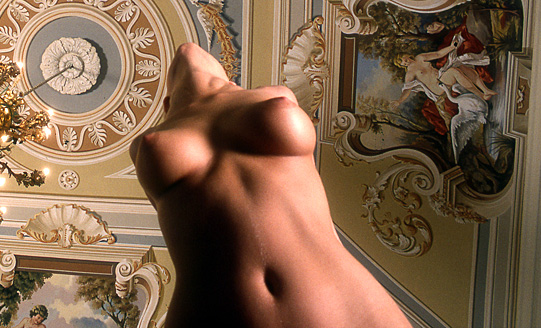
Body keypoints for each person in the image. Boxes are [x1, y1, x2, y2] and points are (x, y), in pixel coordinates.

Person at [129, 43, 411, 328]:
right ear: (166, 106)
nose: (186, 51)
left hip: (339, 299)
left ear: (232, 80)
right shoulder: (143, 144)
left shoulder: (274, 94)